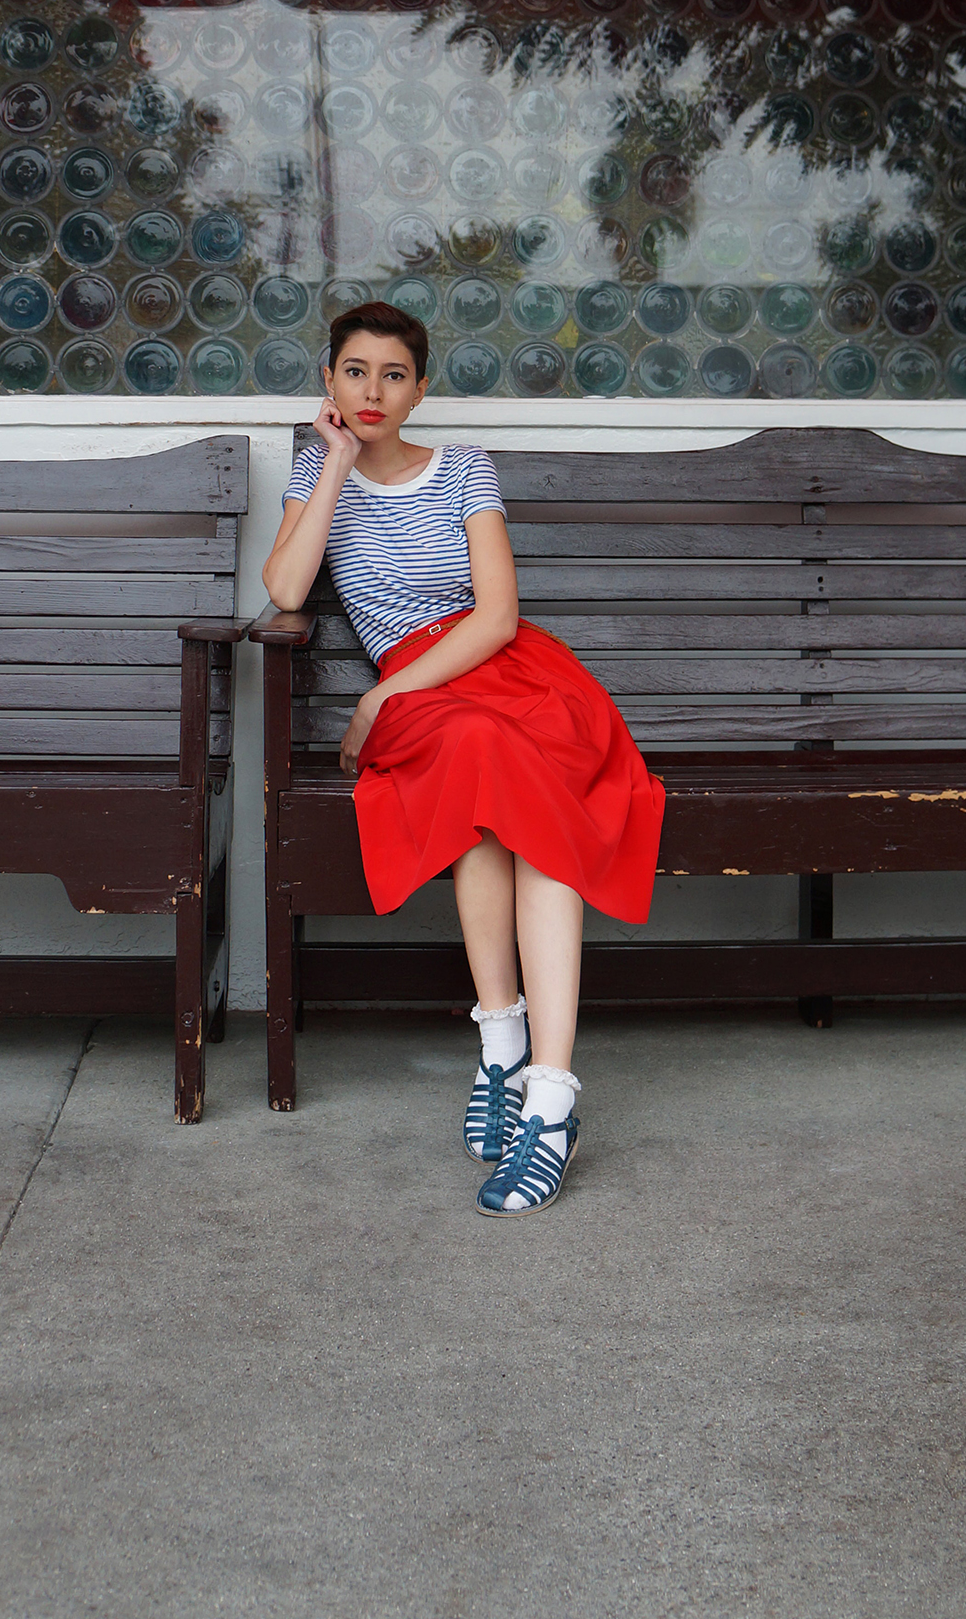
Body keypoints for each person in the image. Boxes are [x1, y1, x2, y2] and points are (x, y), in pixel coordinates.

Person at [262, 299, 665, 1216]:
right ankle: (502, 1047)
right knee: (484, 774)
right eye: (355, 371)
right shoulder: (314, 468)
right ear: (329, 381)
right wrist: (332, 464)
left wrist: (380, 696)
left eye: (394, 374)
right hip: (432, 699)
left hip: (506, 675)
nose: (373, 390)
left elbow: (496, 617)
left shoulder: (464, 472)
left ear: (420, 388)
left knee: (521, 795)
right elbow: (285, 584)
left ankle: (548, 1096)